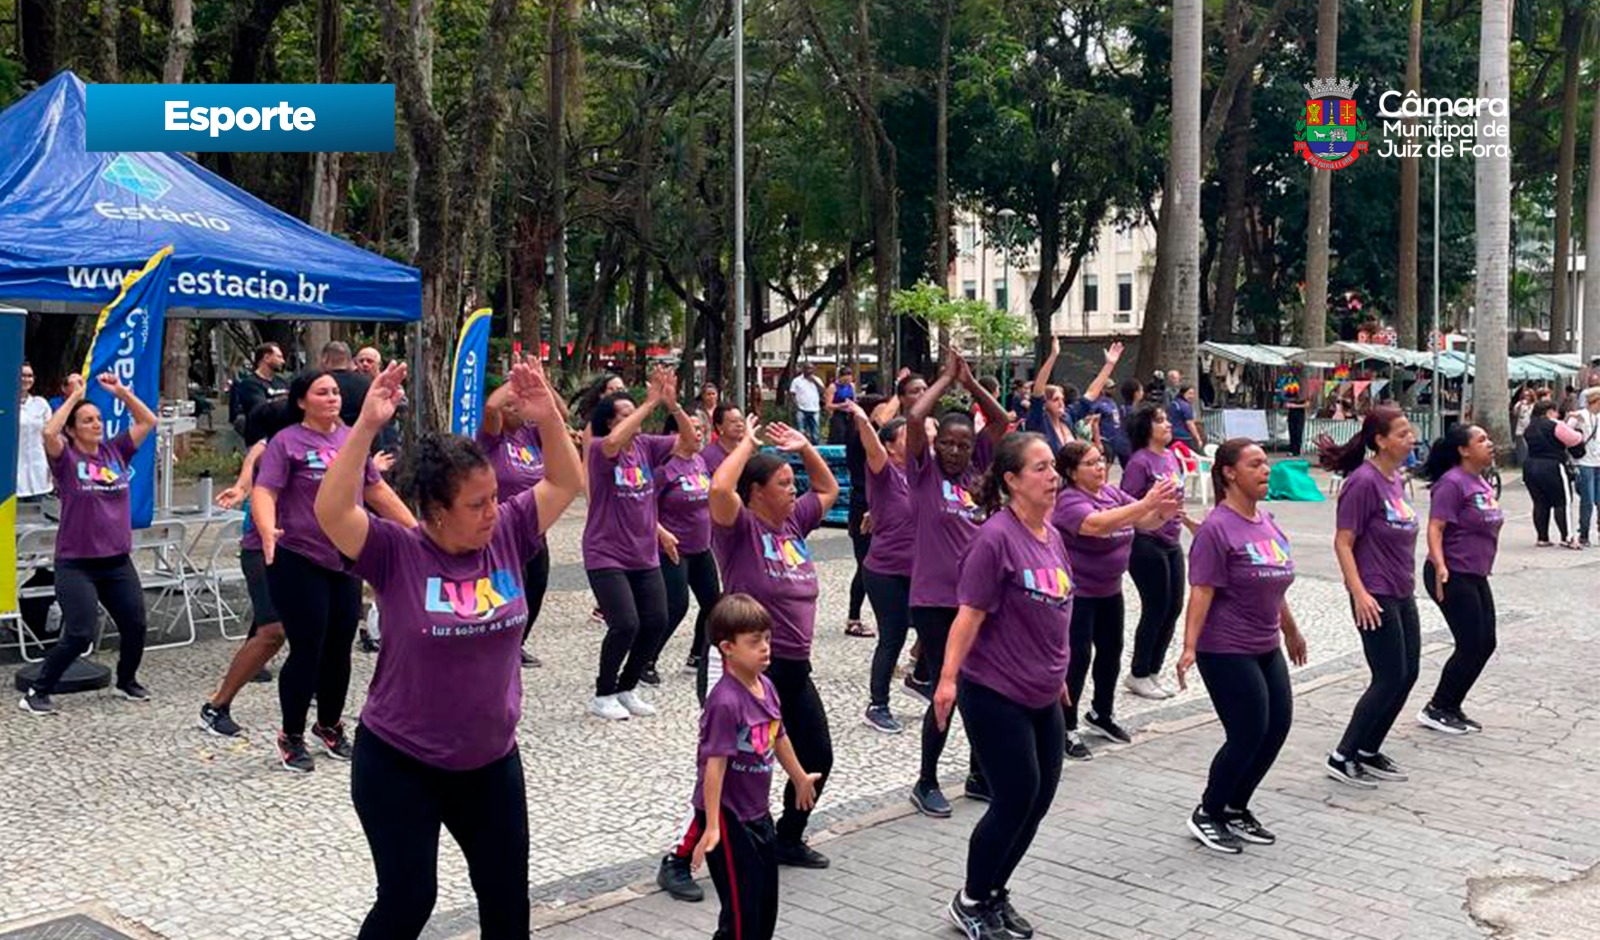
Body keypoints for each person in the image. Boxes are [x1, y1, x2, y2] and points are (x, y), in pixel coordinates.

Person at [316, 358, 582, 939]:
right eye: (477, 503)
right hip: (400, 761)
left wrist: (546, 420)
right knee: (410, 900)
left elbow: (565, 482)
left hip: (490, 761)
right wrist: (363, 428)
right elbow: (332, 511)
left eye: (494, 496)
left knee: (508, 902)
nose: (494, 509)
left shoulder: (510, 531)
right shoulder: (397, 551)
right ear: (435, 512)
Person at [932, 432, 1072, 940]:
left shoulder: (1050, 533)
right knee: (1015, 797)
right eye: (1039, 468)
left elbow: (1057, 608)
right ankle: (970, 899)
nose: (1052, 475)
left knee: (1039, 799)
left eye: (1053, 466)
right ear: (1011, 480)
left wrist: (1059, 677)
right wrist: (947, 681)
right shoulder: (993, 538)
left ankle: (994, 891)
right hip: (995, 691)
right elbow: (967, 618)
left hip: (1042, 692)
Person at [253, 369, 415, 771]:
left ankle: (329, 725)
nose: (332, 398)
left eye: (336, 392)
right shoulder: (286, 442)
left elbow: (376, 490)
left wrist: (416, 532)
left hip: (345, 556)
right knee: (308, 646)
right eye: (322, 392)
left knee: (340, 646)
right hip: (297, 556)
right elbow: (265, 490)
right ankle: (290, 734)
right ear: (302, 401)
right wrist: (267, 530)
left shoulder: (351, 440)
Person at [709, 414, 839, 868]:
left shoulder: (793, 525)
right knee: (732, 766)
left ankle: (787, 836)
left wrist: (805, 449)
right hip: (748, 669)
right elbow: (719, 492)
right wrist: (745, 444)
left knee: (817, 754)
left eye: (792, 482)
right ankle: (685, 853)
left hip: (793, 667)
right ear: (757, 491)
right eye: (783, 483)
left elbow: (828, 492)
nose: (793, 490)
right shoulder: (740, 528)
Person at [1176, 439, 1307, 854]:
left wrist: (1291, 630)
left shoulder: (1266, 521)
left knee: (1276, 727)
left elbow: (1274, 586)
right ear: (1230, 473)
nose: (1266, 470)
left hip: (1266, 642)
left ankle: (1236, 806)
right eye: (1255, 464)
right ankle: (1208, 811)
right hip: (1225, 647)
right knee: (1248, 730)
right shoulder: (1217, 528)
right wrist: (1189, 647)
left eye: (1267, 463)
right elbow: (1201, 591)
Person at [906, 346, 1009, 818]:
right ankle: (926, 780)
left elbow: (1002, 421)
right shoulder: (924, 474)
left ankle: (978, 774)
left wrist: (971, 384)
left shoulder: (977, 474)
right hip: (934, 601)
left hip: (977, 599)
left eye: (962, 444)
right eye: (946, 442)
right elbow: (914, 418)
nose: (953, 450)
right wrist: (946, 381)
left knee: (980, 686)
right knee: (951, 689)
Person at [18, 372, 158, 714]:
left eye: (98, 419)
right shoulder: (66, 459)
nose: (96, 425)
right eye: (87, 420)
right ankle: (38, 691)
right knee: (80, 633)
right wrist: (75, 395)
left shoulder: (115, 452)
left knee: (135, 625)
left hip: (116, 561)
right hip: (77, 562)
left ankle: (127, 681)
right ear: (73, 428)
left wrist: (123, 393)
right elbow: (48, 432)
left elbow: (148, 420)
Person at [687, 595, 822, 940]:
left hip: (757, 814)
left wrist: (800, 776)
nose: (765, 648)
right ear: (727, 648)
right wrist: (713, 826)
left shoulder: (768, 686)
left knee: (765, 906)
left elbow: (779, 736)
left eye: (767, 638)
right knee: (742, 914)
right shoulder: (724, 702)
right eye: (754, 641)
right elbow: (713, 767)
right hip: (728, 819)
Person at [1051, 441, 1181, 761]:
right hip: (1079, 593)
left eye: (1102, 461)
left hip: (1110, 589)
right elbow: (1095, 525)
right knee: (1078, 658)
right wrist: (1145, 503)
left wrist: (1164, 509)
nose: (1099, 468)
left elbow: (1144, 522)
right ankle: (1065, 726)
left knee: (1111, 653)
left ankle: (1101, 714)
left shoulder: (1110, 494)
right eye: (1090, 463)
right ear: (1071, 472)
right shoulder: (1068, 501)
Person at [585, 366, 697, 718]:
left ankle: (627, 687)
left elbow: (691, 444)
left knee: (656, 620)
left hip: (642, 552)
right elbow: (617, 441)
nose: (633, 419)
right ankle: (603, 693)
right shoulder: (604, 449)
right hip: (606, 552)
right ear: (609, 422)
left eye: (634, 413)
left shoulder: (647, 447)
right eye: (624, 415)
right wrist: (649, 405)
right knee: (626, 623)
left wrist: (673, 407)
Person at [1318, 407, 1421, 788]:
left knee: (1408, 673)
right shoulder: (1363, 482)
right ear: (1380, 440)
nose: (1411, 439)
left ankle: (1368, 748)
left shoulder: (1394, 479)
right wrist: (1357, 591)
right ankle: (1343, 754)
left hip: (1401, 589)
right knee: (1388, 675)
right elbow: (1343, 542)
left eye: (1410, 433)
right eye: (1402, 433)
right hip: (1374, 591)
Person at [200, 399, 294, 736]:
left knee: (313, 632)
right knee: (272, 632)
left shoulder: (316, 444)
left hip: (300, 551)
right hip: (263, 549)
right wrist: (240, 492)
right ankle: (217, 705)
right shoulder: (267, 450)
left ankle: (321, 711)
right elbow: (249, 483)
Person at [478, 361, 568, 667]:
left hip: (534, 526)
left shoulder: (531, 436)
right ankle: (497, 644)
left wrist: (541, 384)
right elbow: (491, 407)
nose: (516, 407)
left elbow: (563, 416)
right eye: (512, 404)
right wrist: (514, 385)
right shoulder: (492, 437)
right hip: (501, 529)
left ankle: (517, 643)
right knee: (508, 588)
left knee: (536, 586)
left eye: (520, 403)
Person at [1417, 424, 1503, 734]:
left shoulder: (1480, 482)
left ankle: (1451, 705)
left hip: (1475, 573)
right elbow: (1435, 527)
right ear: (1464, 450)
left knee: (1486, 642)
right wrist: (1440, 565)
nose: (1489, 443)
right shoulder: (1452, 483)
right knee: (1470, 643)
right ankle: (1437, 707)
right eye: (1481, 440)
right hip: (1451, 573)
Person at [846, 400, 917, 734]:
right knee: (893, 635)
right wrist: (864, 423)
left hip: (918, 570)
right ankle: (878, 704)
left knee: (938, 626)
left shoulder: (920, 474)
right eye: (906, 436)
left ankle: (919, 680)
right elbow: (872, 449)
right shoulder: (884, 471)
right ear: (891, 446)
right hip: (886, 570)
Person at [1121, 405, 1194, 700]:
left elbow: (1176, 500)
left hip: (1172, 540)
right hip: (1146, 541)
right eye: (1159, 421)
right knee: (1155, 606)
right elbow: (1125, 502)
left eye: (1166, 419)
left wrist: (1188, 521)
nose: (1166, 425)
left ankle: (1153, 670)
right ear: (1146, 428)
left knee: (1174, 607)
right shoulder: (1139, 462)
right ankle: (1138, 673)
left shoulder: (1171, 457)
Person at [647, 409, 722, 686]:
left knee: (714, 605)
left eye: (701, 428)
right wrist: (661, 532)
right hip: (672, 549)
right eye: (691, 428)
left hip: (702, 548)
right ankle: (646, 659)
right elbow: (642, 508)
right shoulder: (663, 467)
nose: (698, 433)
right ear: (673, 434)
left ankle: (697, 657)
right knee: (675, 607)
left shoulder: (700, 462)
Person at [1521, 400, 1582, 548]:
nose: (1557, 414)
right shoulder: (1555, 425)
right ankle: (1567, 537)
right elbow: (1574, 439)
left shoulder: (1529, 427)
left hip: (1530, 465)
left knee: (1540, 502)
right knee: (1562, 502)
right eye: (1555, 411)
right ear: (1549, 411)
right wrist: (1579, 431)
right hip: (1552, 465)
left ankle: (1542, 537)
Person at [1023, 337, 1075, 452]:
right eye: (1056, 399)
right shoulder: (1039, 420)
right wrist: (1053, 356)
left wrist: (1109, 365)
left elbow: (1090, 395)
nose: (1061, 403)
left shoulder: (1066, 418)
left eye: (1062, 399)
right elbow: (1038, 391)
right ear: (1045, 403)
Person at [228, 342, 288, 435]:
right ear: (266, 358)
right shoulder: (249, 383)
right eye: (279, 357)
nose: (283, 361)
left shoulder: (282, 382)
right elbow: (262, 410)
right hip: (261, 436)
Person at [1566, 389, 1600, 546]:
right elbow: (1566, 434)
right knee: (1587, 500)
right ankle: (1584, 534)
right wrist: (1574, 421)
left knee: (1598, 500)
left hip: (1598, 461)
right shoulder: (1579, 416)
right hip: (1584, 462)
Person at [17, 361, 52, 498]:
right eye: (23, 375)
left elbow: (50, 436)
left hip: (38, 472)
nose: (26, 379)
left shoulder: (41, 404)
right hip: (12, 475)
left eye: (30, 376)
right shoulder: (5, 403)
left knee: (38, 517)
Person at [320, 341, 372, 428]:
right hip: (361, 434)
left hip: (327, 436)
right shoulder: (366, 383)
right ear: (349, 361)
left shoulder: (318, 384)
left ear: (325, 359)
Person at [702, 402, 746, 475]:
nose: (739, 424)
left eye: (741, 420)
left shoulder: (748, 451)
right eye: (733, 421)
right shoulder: (708, 456)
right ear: (719, 427)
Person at [788, 363, 823, 443]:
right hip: (801, 409)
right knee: (801, 431)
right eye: (807, 368)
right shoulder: (796, 381)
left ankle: (815, 449)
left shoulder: (817, 379)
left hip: (815, 409)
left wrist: (814, 381)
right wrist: (796, 405)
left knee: (815, 433)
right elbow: (792, 394)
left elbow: (822, 391)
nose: (809, 370)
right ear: (803, 370)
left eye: (811, 368)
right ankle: (802, 448)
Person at [824, 366, 857, 444]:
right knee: (839, 436)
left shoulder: (851, 386)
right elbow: (828, 405)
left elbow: (854, 399)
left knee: (850, 435)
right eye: (845, 380)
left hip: (849, 414)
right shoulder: (833, 387)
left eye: (849, 379)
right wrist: (841, 405)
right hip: (838, 414)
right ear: (840, 378)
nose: (847, 382)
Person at [1168, 384, 1204, 451]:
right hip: (1184, 436)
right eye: (1189, 393)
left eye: (1193, 394)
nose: (1192, 396)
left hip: (1172, 435)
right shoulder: (1185, 406)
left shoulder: (1174, 402)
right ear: (1183, 393)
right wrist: (1198, 438)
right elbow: (1190, 423)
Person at [1283, 379, 1310, 456]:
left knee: (1298, 432)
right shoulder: (1290, 395)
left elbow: (1307, 404)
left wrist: (1295, 406)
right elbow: (1286, 404)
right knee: (1292, 432)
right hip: (1291, 415)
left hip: (1300, 415)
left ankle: (1297, 450)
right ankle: (1291, 450)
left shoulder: (1303, 396)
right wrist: (1289, 405)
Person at [1511, 387, 1536, 466]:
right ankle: (1521, 461)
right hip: (1520, 426)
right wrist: (1519, 406)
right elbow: (1515, 413)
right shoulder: (1519, 404)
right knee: (1521, 444)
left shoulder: (1534, 405)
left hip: (1530, 426)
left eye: (1528, 395)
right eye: (1525, 395)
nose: (1526, 397)